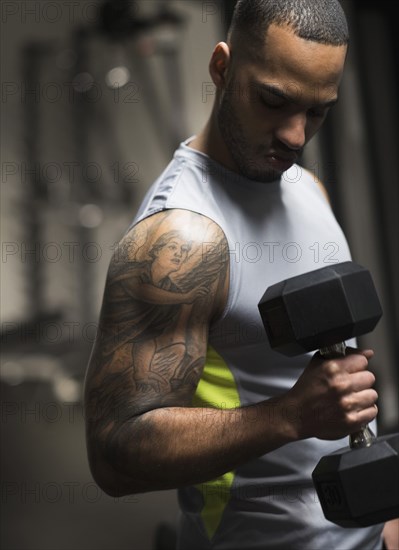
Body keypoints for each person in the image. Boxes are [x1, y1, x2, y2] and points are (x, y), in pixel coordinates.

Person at [83, 0, 398, 548]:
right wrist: (291, 416)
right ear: (222, 68)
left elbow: (333, 394)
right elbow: (115, 454)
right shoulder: (180, 238)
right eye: (274, 101)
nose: (296, 137)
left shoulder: (306, 188)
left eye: (318, 111)